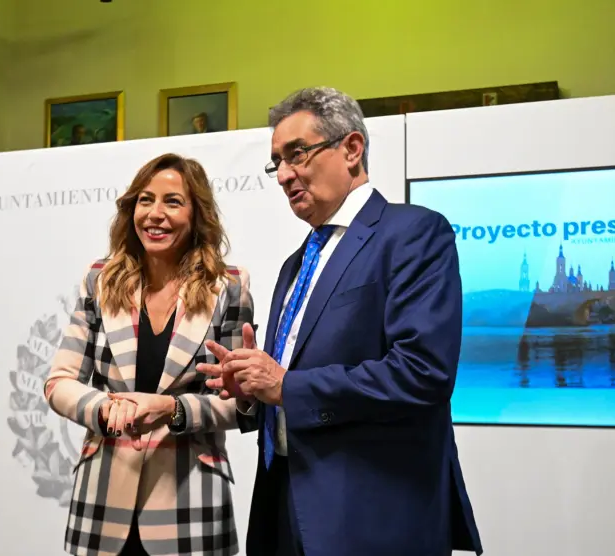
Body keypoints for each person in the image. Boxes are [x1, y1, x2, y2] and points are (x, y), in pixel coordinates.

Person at [197, 87, 484, 556]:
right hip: (283, 508)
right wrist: (252, 393)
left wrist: (286, 386)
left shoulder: (413, 233)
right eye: (277, 162)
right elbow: (289, 386)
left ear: (351, 149)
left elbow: (422, 372)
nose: (284, 175)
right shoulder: (295, 263)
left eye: (297, 154)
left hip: (371, 517)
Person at [44, 153, 255, 556]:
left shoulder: (229, 287)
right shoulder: (100, 280)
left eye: (173, 202)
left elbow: (242, 404)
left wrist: (173, 410)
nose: (155, 214)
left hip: (191, 506)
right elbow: (59, 382)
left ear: (197, 214)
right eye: (145, 200)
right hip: (102, 505)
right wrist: (104, 409)